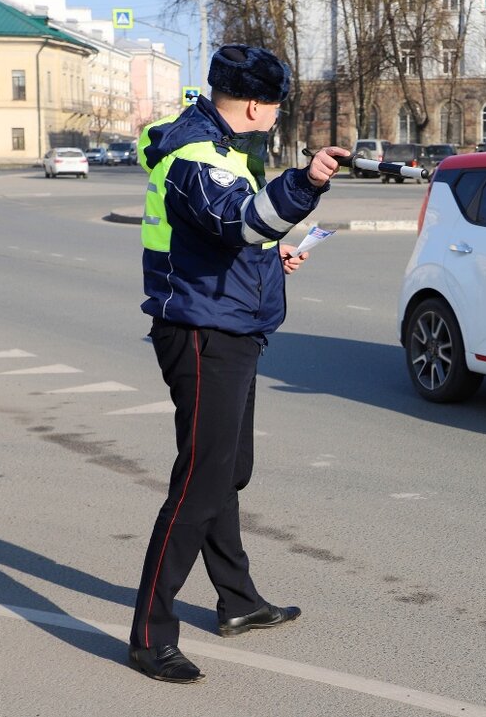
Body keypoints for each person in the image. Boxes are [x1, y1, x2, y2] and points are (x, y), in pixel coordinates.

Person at [128, 43, 348, 685]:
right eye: (276, 104)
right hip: (203, 333)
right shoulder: (197, 156)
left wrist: (270, 258)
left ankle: (238, 602)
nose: (277, 115)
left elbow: (231, 238)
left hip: (227, 323)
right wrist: (305, 184)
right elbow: (239, 222)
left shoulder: (221, 150)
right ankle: (149, 635)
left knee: (229, 470)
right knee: (200, 482)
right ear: (255, 104)